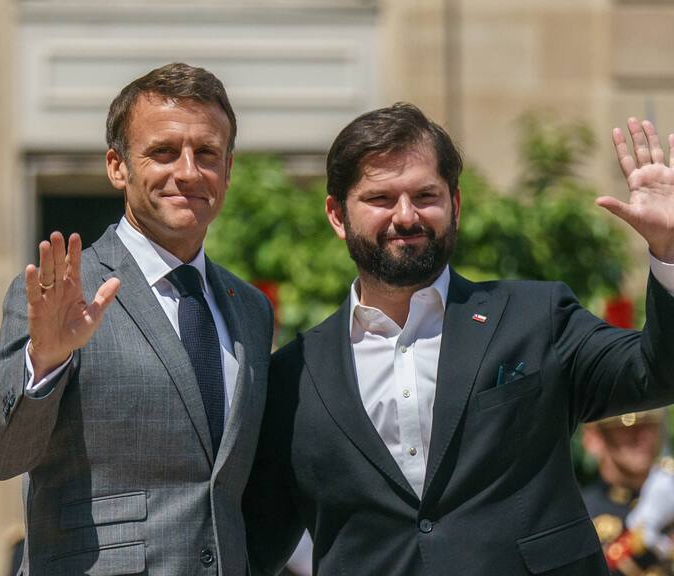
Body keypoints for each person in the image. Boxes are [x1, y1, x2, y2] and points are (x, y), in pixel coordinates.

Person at [243, 104, 674, 576]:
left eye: (425, 195)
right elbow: (252, 545)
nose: (406, 216)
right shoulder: (293, 375)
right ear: (337, 215)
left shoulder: (535, 317)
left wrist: (669, 252)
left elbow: (656, 372)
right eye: (381, 199)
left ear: (456, 204)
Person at [0, 63, 274, 575]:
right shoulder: (61, 291)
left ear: (228, 169)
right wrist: (45, 361)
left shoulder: (248, 307)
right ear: (117, 167)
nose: (188, 171)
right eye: (162, 152)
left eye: (206, 153)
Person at [582, 411, 674, 574]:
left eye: (651, 425)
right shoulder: (581, 513)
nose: (644, 435)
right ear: (594, 438)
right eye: (628, 426)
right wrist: (640, 534)